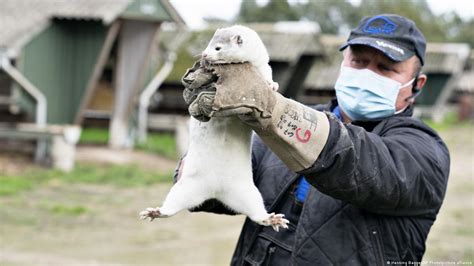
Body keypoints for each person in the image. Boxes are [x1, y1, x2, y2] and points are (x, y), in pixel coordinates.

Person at [179, 14, 450, 265]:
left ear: (418, 84)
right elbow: (221, 187)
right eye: (359, 61)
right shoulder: (288, 121)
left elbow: (355, 159)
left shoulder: (424, 150)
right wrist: (210, 139)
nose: (368, 73)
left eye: (386, 68)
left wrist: (271, 109)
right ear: (343, 63)